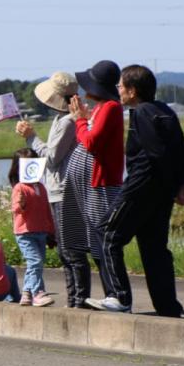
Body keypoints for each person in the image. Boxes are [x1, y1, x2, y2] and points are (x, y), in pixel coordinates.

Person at [87, 65, 184, 315]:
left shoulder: (142, 113)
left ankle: (119, 297)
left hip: (140, 188)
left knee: (107, 233)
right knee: (154, 249)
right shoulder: (164, 111)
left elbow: (156, 155)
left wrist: (141, 188)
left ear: (132, 91)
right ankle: (168, 307)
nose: (118, 90)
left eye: (121, 86)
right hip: (162, 193)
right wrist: (180, 184)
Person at [17, 72, 83, 306]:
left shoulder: (67, 122)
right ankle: (74, 297)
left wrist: (32, 138)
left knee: (69, 250)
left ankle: (77, 298)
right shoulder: (62, 119)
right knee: (66, 249)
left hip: (64, 190)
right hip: (59, 189)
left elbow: (53, 157)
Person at [69, 60, 124, 308]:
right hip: (93, 183)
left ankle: (116, 294)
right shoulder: (102, 108)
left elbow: (91, 142)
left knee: (103, 238)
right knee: (96, 240)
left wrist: (80, 121)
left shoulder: (111, 107)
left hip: (102, 183)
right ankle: (110, 294)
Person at [9, 149, 55, 306]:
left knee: (36, 263)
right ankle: (38, 292)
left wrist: (51, 231)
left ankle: (26, 293)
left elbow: (47, 211)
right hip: (25, 232)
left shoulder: (41, 187)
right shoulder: (19, 188)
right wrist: (21, 204)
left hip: (41, 231)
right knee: (35, 261)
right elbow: (16, 210)